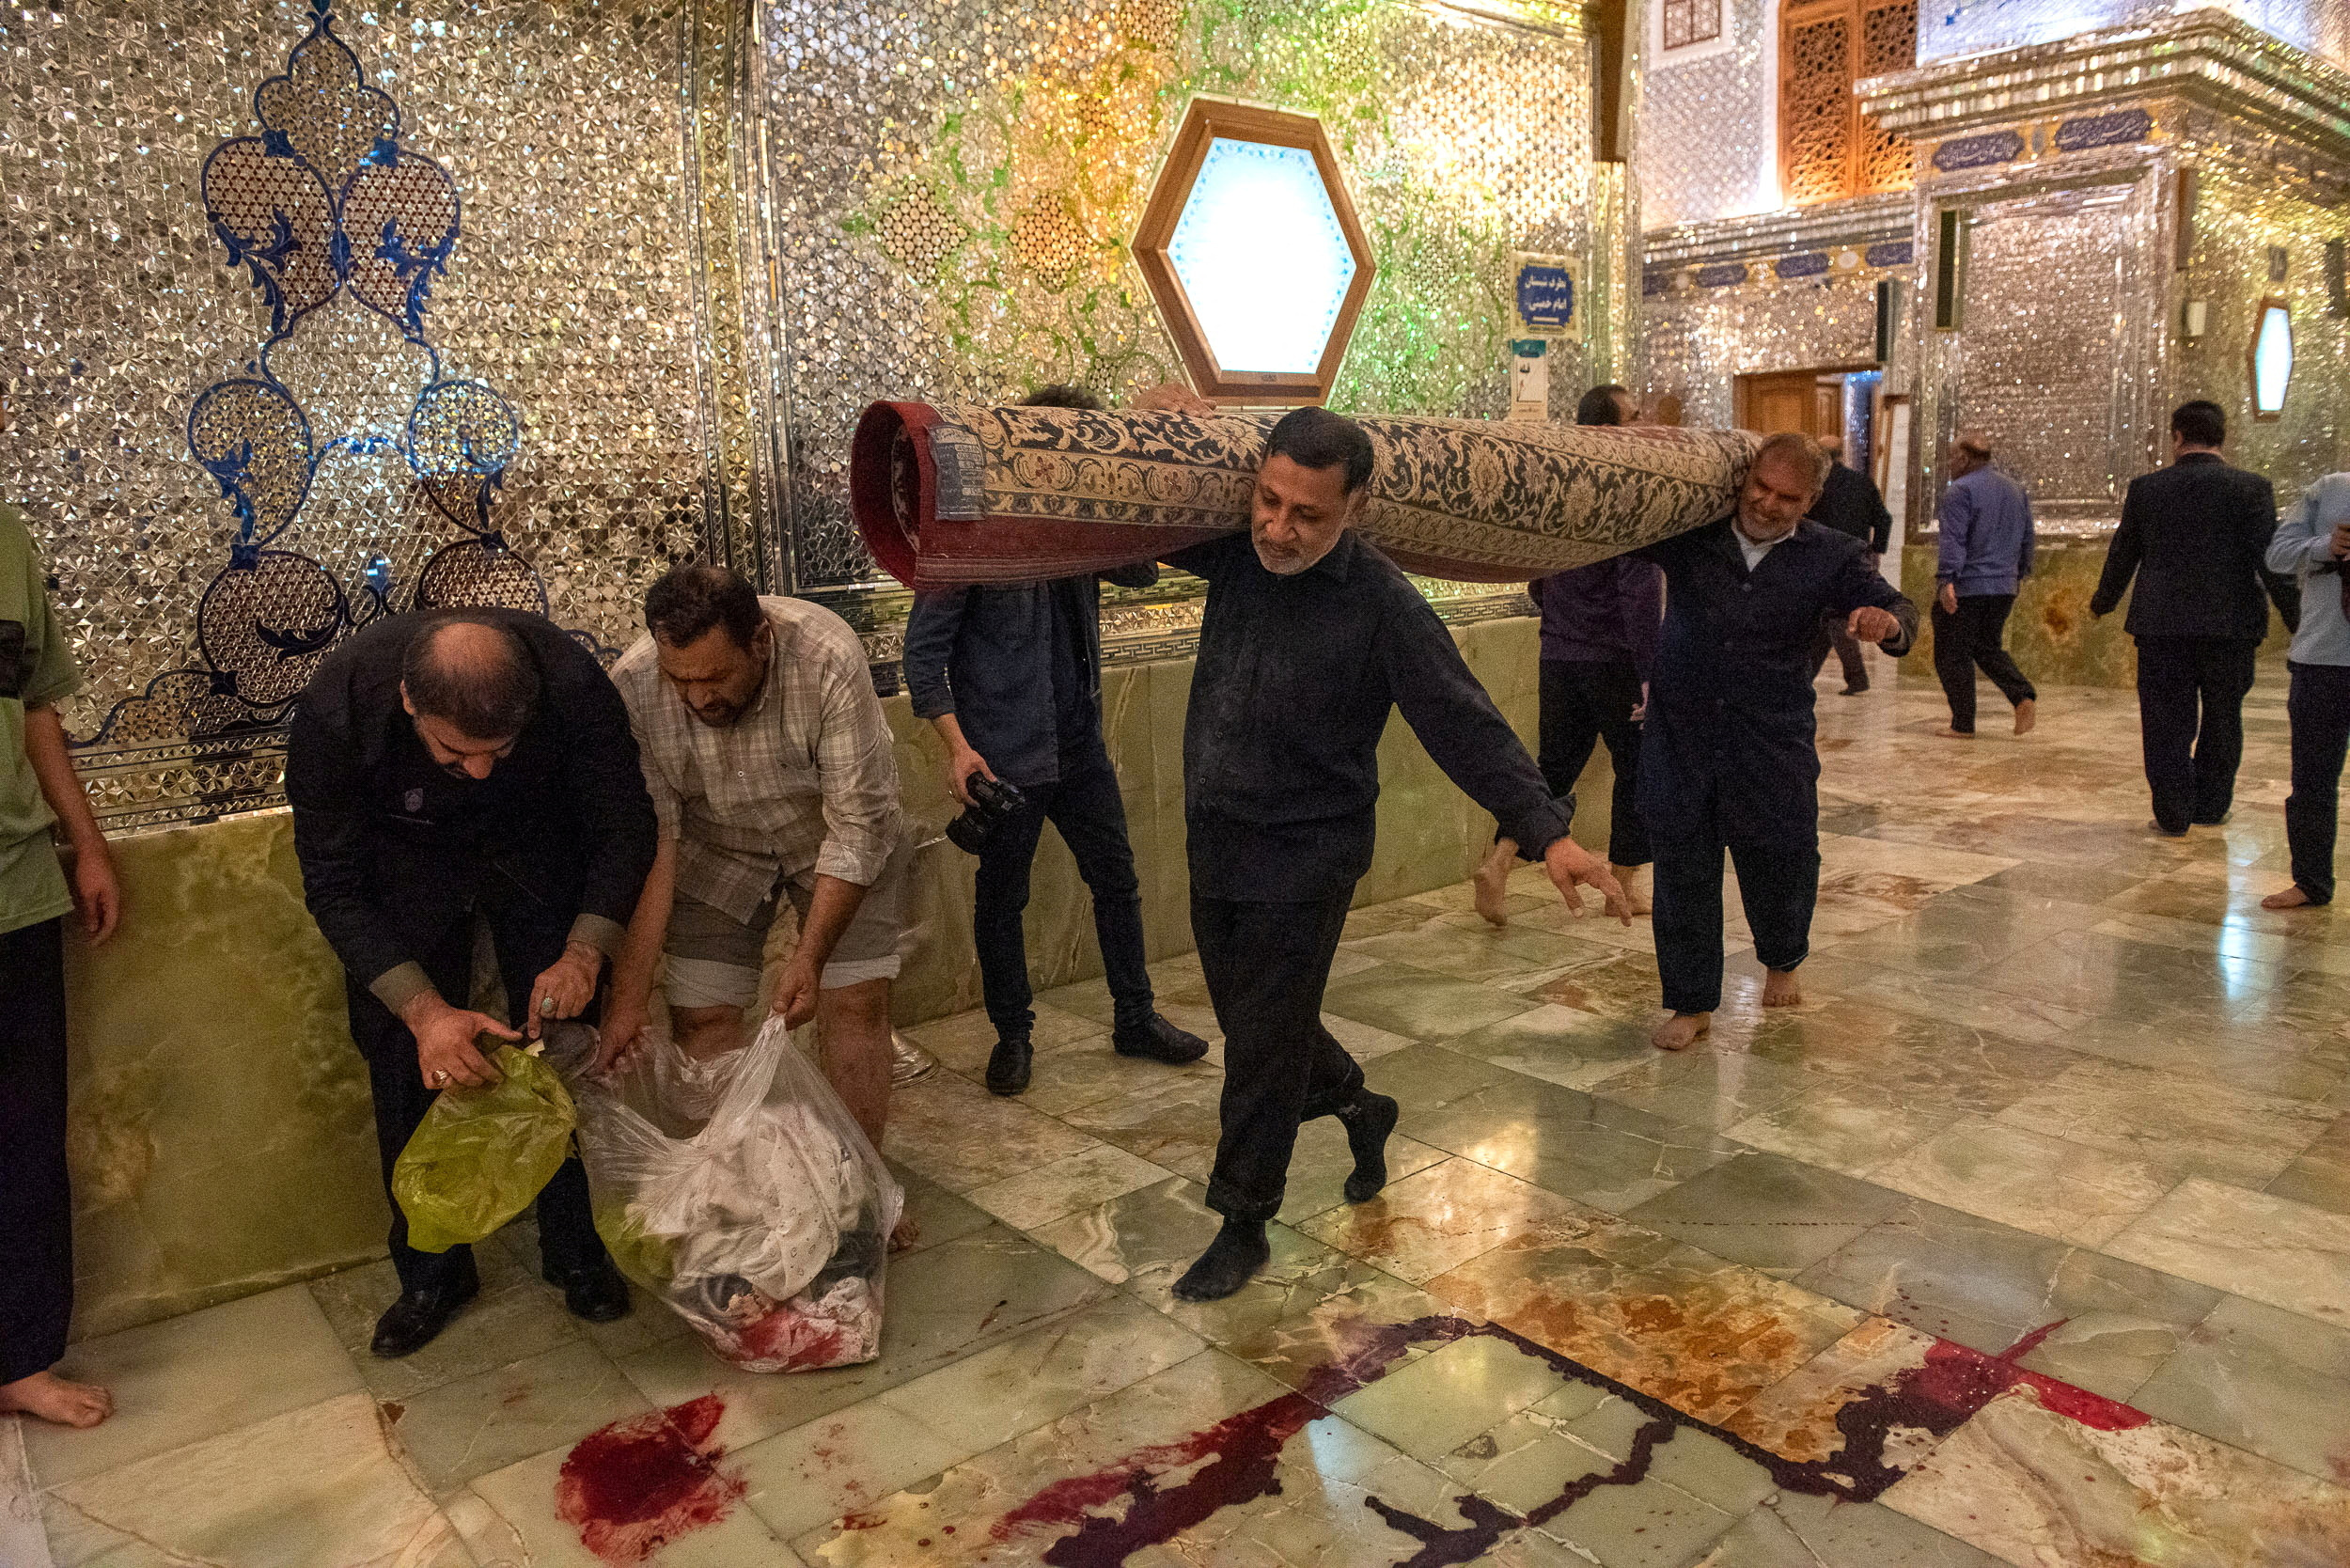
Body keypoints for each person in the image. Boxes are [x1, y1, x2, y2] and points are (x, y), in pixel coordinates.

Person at [1161, 407, 1632, 1302]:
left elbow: (1463, 721)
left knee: (1259, 1044)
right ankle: (1357, 1101)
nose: (1279, 528)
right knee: (1257, 1016)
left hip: (1309, 853)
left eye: (1307, 514)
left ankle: (1243, 1219)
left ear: (1355, 509)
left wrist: (1547, 831)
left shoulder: (1379, 604)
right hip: (1216, 832)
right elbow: (1108, 526)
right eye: (1268, 500)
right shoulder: (1236, 550)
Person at [289, 609, 654, 1356]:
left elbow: (626, 827)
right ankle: (431, 1273)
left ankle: (578, 1251)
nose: (482, 768)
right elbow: (334, 885)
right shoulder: (337, 711)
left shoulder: (573, 685)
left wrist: (586, 953)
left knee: (559, 1042)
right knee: (404, 1054)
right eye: (457, 754)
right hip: (403, 860)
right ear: (408, 702)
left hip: (536, 842)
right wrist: (424, 1012)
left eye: (502, 748)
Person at [902, 385, 1210, 1095]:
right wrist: (958, 748)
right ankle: (1013, 1037)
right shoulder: (973, 532)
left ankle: (1136, 1018)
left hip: (1079, 747)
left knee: (1117, 880)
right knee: (1002, 898)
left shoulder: (1079, 529)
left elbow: (1141, 566)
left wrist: (1135, 474)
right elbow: (924, 656)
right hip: (1006, 755)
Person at [603, 565, 912, 1166]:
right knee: (702, 1015)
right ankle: (734, 1192)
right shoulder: (636, 685)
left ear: (759, 642)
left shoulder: (825, 655)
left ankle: (859, 1191)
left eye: (715, 678)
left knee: (855, 1001)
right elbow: (659, 845)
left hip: (833, 834)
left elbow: (856, 825)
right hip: (712, 847)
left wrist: (809, 956)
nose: (697, 698)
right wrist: (629, 998)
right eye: (680, 681)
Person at [1639, 432, 1917, 1053]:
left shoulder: (1834, 556)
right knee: (1683, 865)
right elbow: (1607, 532)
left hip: (1771, 737)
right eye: (1759, 487)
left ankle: (1783, 958)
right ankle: (1691, 1002)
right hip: (1681, 735)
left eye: (1785, 497)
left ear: (1811, 500)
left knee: (1783, 855)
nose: (1766, 504)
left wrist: (1889, 624)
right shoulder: (1692, 535)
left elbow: (1897, 607)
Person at [0, 505, 121, 1430]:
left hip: (15, 887)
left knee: (25, 1137)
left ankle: (20, 1357)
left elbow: (34, 704)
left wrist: (85, 843)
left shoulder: (8, 537)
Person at [1471, 382, 1660, 923]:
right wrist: (1650, 673)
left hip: (1558, 654)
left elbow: (1534, 572)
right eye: (1634, 418)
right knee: (1638, 768)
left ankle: (1501, 860)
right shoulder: (1626, 493)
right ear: (1607, 429)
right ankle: (1623, 883)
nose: (1642, 426)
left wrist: (1562, 616)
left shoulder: (1555, 489)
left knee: (1554, 767)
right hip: (1613, 658)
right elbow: (1638, 592)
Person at [2092, 400, 2298, 836]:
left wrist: (2103, 600)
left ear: (2178, 437)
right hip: (2231, 626)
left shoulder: (2147, 488)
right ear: (2223, 438)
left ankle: (2172, 812)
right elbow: (2270, 560)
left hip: (2161, 626)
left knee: (2165, 718)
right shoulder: (2252, 489)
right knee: (2225, 715)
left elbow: (2124, 551)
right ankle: (2210, 804)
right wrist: (2296, 617)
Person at [2262, 471, 2350, 909]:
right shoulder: (2330, 490)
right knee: (2313, 780)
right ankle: (2312, 881)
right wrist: (2325, 547)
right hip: (2323, 659)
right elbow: (2277, 555)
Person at [1931, 431, 2039, 739]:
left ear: (1964, 459)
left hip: (1968, 586)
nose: (1949, 463)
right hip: (2004, 585)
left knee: (1951, 652)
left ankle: (1963, 724)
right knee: (1986, 646)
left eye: (1952, 457)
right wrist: (2019, 574)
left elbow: (1954, 539)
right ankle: (2022, 696)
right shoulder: (2015, 489)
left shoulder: (1960, 490)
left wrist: (1947, 580)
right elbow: (2028, 537)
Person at [1804, 434, 1893, 696]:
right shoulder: (1862, 482)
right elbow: (1884, 520)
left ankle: (1852, 677)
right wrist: (1877, 550)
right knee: (1829, 619)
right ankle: (1847, 678)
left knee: (1834, 619)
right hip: (1857, 557)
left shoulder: (1817, 485)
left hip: (1823, 560)